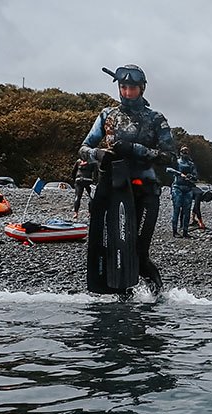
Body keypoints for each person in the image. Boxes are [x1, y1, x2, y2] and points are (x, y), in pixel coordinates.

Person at [80, 64, 177, 294]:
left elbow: (169, 157)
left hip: (145, 191)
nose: (127, 92)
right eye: (123, 87)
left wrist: (135, 149)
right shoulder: (107, 115)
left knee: (139, 254)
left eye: (132, 88)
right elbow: (83, 148)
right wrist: (97, 155)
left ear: (142, 89)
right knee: (109, 247)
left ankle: (158, 301)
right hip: (112, 188)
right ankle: (121, 302)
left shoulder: (155, 119)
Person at [166, 147, 198, 237]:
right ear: (180, 152)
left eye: (187, 152)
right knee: (176, 209)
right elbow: (168, 169)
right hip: (177, 187)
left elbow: (196, 176)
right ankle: (175, 231)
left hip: (188, 188)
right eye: (183, 152)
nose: (185, 153)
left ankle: (185, 231)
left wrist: (191, 176)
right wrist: (179, 174)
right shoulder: (176, 162)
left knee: (187, 211)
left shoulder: (191, 164)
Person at [70, 155, 96, 219]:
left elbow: (73, 171)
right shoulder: (92, 162)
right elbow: (95, 172)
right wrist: (95, 182)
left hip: (78, 180)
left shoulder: (78, 161)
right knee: (91, 197)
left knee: (77, 197)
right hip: (88, 180)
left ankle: (76, 213)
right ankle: (90, 213)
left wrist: (74, 180)